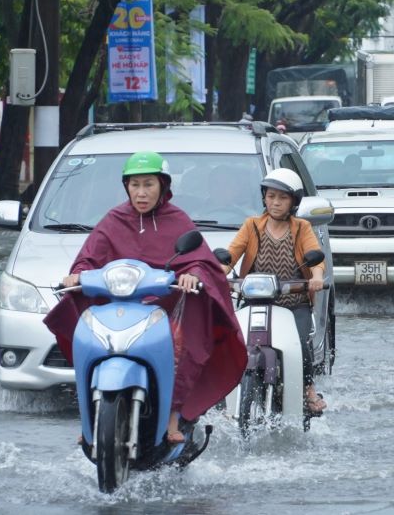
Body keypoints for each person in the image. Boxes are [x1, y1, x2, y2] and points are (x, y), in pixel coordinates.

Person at [43, 151, 246, 444]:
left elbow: (199, 261)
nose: (141, 192)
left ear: (163, 185)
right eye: (134, 184)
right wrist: (77, 275)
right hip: (119, 305)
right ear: (126, 186)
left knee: (185, 338)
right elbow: (89, 257)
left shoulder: (177, 220)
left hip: (167, 308)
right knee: (87, 333)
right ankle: (92, 417)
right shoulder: (114, 219)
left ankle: (172, 416)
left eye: (148, 184)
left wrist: (192, 275)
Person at [221, 168, 328, 415]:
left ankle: (308, 391)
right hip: (255, 302)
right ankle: (224, 391)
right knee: (232, 341)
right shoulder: (252, 226)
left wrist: (317, 277)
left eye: (282, 198)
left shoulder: (301, 228)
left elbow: (315, 260)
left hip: (294, 302)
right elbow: (231, 254)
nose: (275, 203)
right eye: (271, 196)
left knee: (300, 343)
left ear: (293, 202)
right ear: (264, 198)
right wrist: (218, 271)